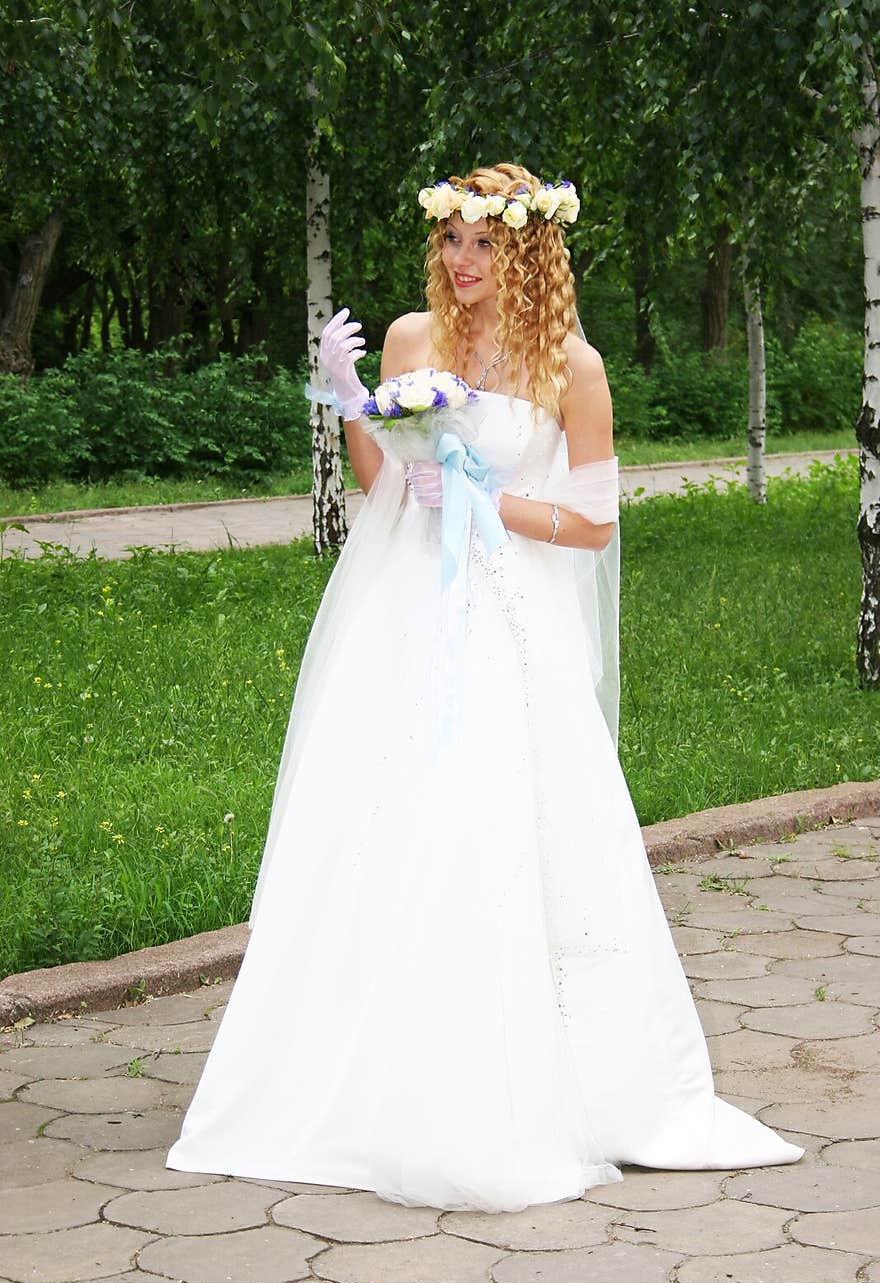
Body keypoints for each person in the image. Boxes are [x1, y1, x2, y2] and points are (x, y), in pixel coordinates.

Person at [166, 162, 804, 1213]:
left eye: (482, 244)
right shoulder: (417, 343)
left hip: (511, 622)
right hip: (412, 608)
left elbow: (596, 523)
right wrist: (347, 405)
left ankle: (533, 1080)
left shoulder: (573, 367)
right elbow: (381, 485)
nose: (461, 264)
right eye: (451, 242)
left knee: (501, 822)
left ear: (529, 251)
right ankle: (356, 1078)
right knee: (386, 814)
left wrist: (482, 498)